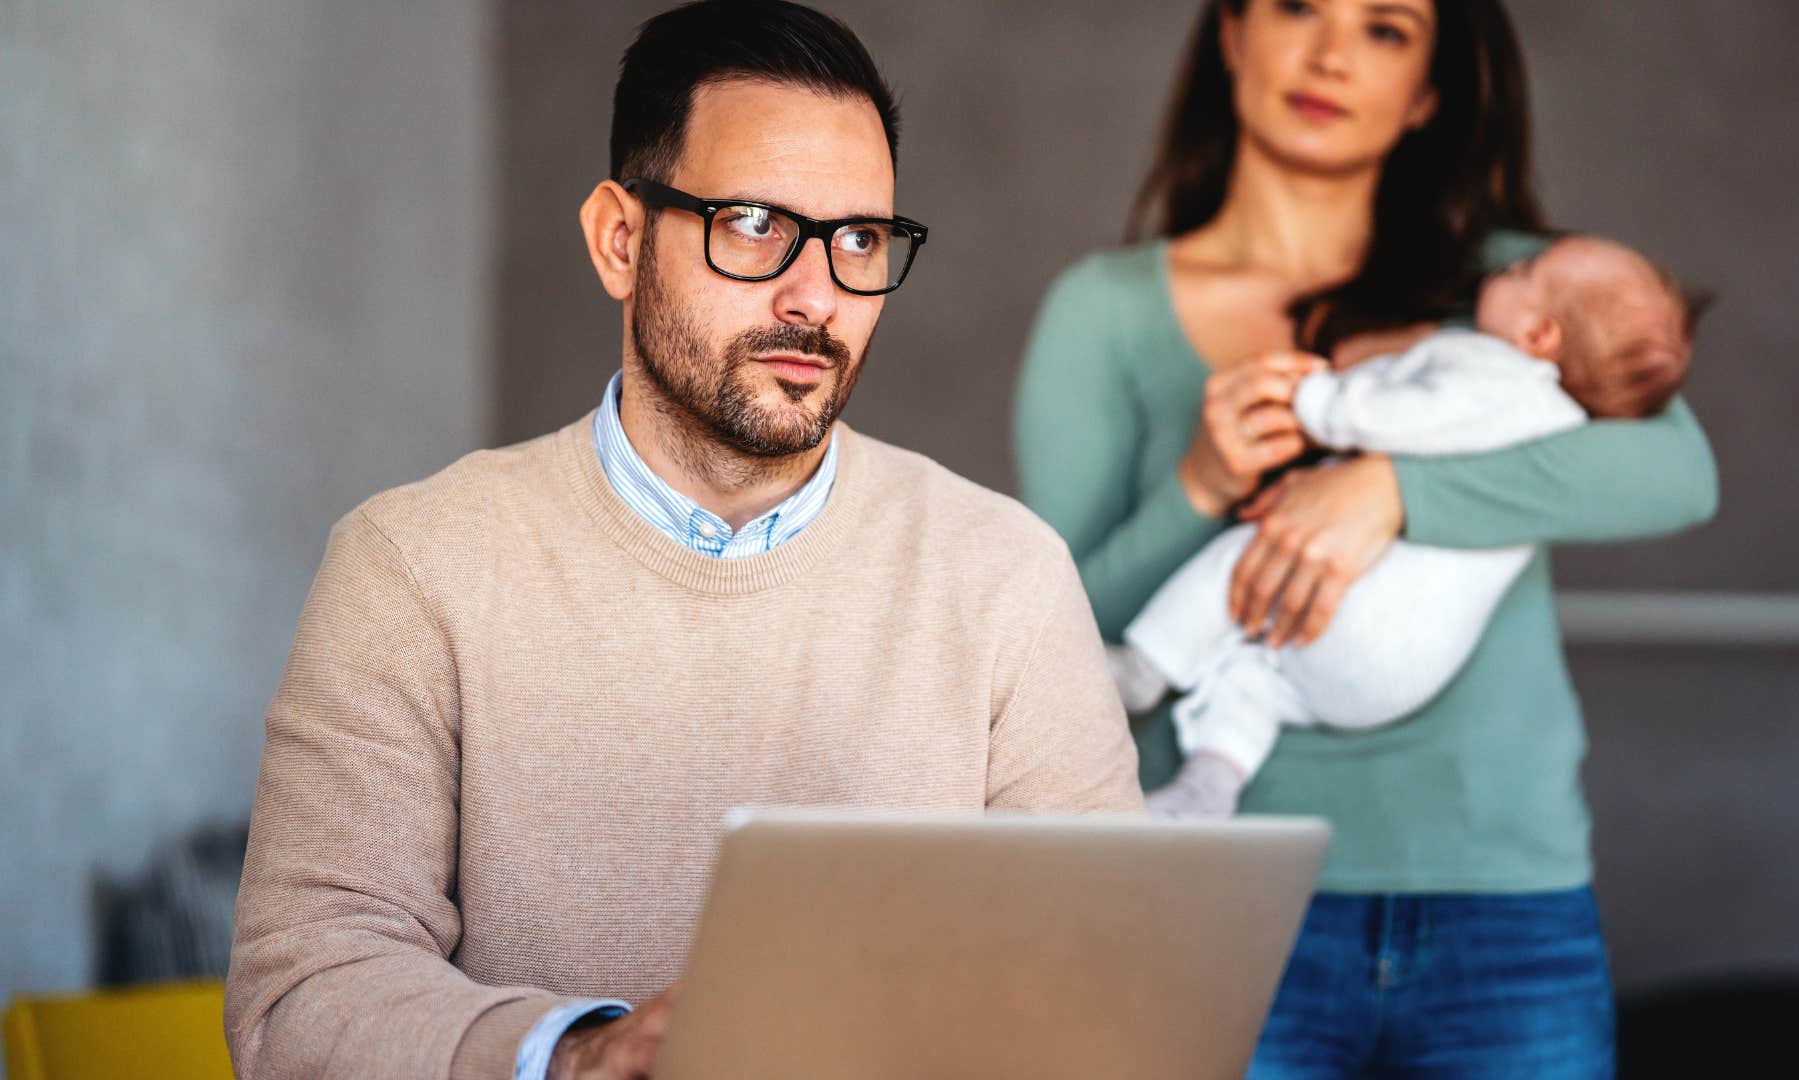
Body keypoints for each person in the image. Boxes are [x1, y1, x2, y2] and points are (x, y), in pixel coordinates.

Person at [224, 4, 1143, 1078]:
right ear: (621, 239)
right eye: (754, 223)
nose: (816, 298)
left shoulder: (1007, 579)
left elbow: (1112, 988)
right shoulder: (413, 563)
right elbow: (301, 996)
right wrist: (578, 1058)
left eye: (858, 240)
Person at [1013, 0, 1718, 1074]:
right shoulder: (1104, 311)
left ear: (1430, 88)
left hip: (1506, 905)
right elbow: (1053, 637)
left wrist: (1388, 490)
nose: (1332, 53)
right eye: (1299, 7)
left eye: (1386, 27)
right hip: (1219, 904)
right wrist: (1200, 486)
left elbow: (1680, 474)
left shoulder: (1528, 289)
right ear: (1235, 34)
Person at [1114, 235, 1699, 817]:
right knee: (1252, 680)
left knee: (1243, 562)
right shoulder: (1558, 425)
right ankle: (1210, 783)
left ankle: (1146, 667)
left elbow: (1398, 416)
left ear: (1539, 336)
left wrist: (1317, 400)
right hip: (1396, 674)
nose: (1507, 268)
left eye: (1524, 273)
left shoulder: (1499, 373)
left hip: (1362, 613)